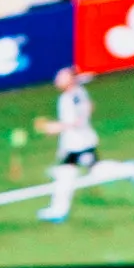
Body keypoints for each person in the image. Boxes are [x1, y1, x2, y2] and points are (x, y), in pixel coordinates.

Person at [42, 64, 101, 223]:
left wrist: (56, 127)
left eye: (61, 77)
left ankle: (131, 169)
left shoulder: (73, 96)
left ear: (70, 80)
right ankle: (59, 211)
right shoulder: (72, 95)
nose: (57, 80)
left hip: (80, 144)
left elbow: (78, 121)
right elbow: (88, 109)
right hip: (75, 144)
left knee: (96, 171)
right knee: (66, 175)